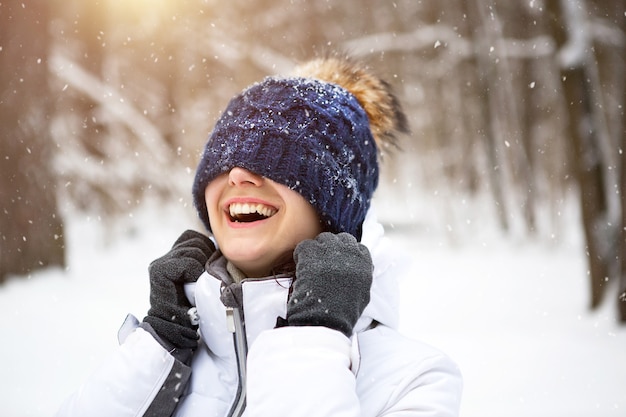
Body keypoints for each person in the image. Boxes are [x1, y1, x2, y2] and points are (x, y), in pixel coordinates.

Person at [56, 55, 462, 417]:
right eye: (225, 161)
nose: (237, 174)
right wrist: (157, 349)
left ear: (334, 204)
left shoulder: (416, 381)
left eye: (277, 160)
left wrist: (312, 337)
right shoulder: (170, 355)